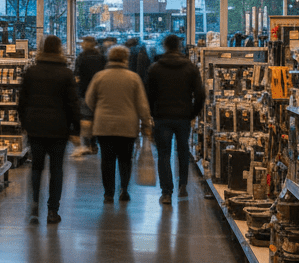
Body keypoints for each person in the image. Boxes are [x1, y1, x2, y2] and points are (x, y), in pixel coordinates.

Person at [17, 35, 80, 225]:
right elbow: (73, 104)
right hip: (59, 129)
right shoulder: (66, 74)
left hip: (36, 128)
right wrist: (75, 129)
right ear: (59, 49)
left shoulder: (31, 72)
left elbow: (22, 102)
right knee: (56, 170)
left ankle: (34, 206)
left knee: (36, 168)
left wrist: (25, 124)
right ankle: (53, 211)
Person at [85, 45, 152, 203]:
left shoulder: (99, 77)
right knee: (125, 160)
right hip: (127, 127)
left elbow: (89, 100)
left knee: (107, 161)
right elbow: (142, 105)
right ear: (125, 59)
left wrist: (100, 109)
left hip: (104, 126)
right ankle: (124, 190)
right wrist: (146, 124)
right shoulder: (133, 78)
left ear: (109, 58)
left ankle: (108, 194)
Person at [146, 34, 207, 204]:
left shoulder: (155, 68)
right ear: (179, 46)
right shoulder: (190, 67)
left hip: (162, 117)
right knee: (183, 152)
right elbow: (200, 94)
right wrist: (193, 113)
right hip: (183, 117)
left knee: (164, 154)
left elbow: (149, 95)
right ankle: (183, 185)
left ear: (165, 46)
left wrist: (152, 113)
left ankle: (166, 192)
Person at [72, 36, 105, 158]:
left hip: (84, 92)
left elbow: (76, 75)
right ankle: (95, 143)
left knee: (86, 119)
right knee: (96, 118)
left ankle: (87, 144)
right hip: (98, 93)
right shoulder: (101, 57)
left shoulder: (81, 57)